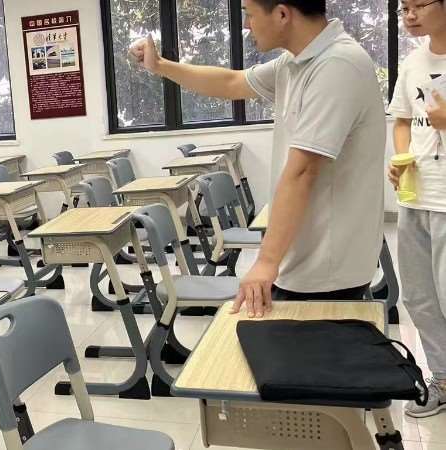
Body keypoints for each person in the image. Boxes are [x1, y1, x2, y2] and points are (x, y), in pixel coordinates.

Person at [129, 0, 385, 316]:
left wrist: (265, 262)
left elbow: (303, 172)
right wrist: (160, 66)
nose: (246, 25)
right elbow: (231, 82)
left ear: (282, 14)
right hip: (302, 257)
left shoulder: (337, 65)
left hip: (327, 269)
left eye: (249, 14)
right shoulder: (295, 63)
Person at [387, 0, 446, 418]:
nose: (409, 15)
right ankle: (442, 378)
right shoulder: (411, 64)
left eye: (418, 5)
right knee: (420, 298)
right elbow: (403, 120)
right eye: (403, 8)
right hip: (415, 197)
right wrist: (401, 158)